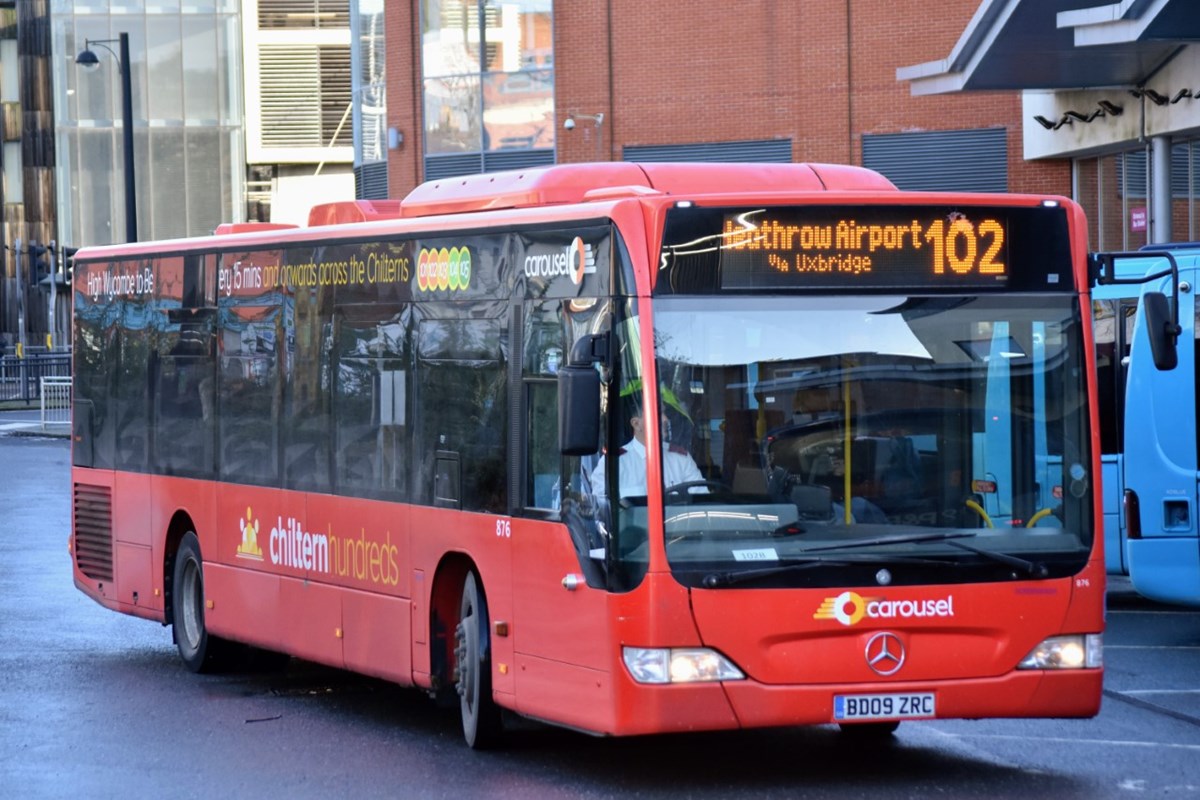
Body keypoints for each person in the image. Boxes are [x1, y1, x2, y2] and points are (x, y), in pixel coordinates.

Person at [590, 397, 705, 501]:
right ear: (636, 424)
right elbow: (602, 512)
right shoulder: (613, 464)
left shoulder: (681, 460)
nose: (665, 419)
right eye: (658, 413)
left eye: (664, 412)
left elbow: (701, 502)